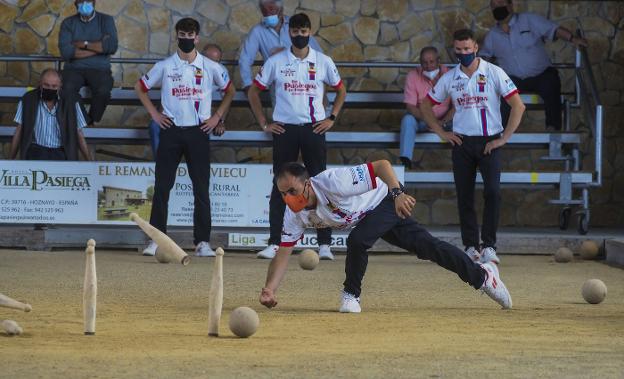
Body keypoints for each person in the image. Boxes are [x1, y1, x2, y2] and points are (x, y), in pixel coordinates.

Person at [258, 161, 512, 313]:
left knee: (358, 241)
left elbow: (381, 166)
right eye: (282, 193)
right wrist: (269, 289)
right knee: (429, 247)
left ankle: (350, 295)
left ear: (308, 184)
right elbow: (283, 254)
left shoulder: (335, 182)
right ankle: (483, 273)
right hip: (367, 217)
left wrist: (398, 194)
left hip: (386, 201)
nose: (287, 197)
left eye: (291, 190)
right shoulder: (294, 216)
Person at [420, 29, 526, 264]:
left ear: (476, 47)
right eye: (459, 50)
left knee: (493, 193)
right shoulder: (450, 78)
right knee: (464, 196)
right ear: (454, 50)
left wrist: (504, 138)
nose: (463, 53)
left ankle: (489, 246)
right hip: (462, 142)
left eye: (467, 49)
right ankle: (470, 245)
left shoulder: (493, 72)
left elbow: (518, 105)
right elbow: (425, 104)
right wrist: (441, 132)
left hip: (490, 141)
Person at [247, 13, 347, 261]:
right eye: (296, 31)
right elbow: (253, 92)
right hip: (285, 130)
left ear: (310, 32)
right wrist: (264, 123)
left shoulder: (323, 61)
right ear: (289, 32)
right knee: (280, 185)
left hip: (314, 128)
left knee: (321, 185)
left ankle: (324, 244)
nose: (300, 35)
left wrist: (331, 117)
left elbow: (341, 89)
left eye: (304, 31)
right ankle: (274, 242)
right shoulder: (276, 61)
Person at [134, 18, 235, 258]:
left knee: (201, 189)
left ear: (197, 38)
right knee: (162, 188)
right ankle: (156, 241)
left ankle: (202, 242)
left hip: (199, 132)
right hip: (170, 130)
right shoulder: (165, 66)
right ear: (177, 36)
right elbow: (140, 87)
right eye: (182, 34)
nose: (186, 39)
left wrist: (217, 117)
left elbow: (230, 90)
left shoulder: (210, 66)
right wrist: (155, 115)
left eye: (191, 35)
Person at [480, 0, 588, 130]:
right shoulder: (492, 35)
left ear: (510, 5)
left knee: (551, 83)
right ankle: (499, 131)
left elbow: (553, 29)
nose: (497, 8)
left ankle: (552, 128)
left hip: (541, 75)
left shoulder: (528, 20)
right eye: (493, 6)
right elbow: (484, 57)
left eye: (500, 3)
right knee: (501, 89)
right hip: (513, 79)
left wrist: (573, 39)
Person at [147, 44, 226, 157]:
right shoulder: (186, 66)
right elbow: (168, 92)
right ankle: (160, 163)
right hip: (177, 113)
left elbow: (227, 95)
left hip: (201, 118)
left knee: (204, 127)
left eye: (216, 61)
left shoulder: (220, 71)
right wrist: (159, 115)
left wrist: (220, 120)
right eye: (210, 60)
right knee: (155, 125)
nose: (213, 64)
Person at [238, 0, 323, 95]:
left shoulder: (296, 26)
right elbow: (245, 59)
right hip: (278, 88)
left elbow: (318, 54)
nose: (269, 14)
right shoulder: (257, 31)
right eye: (265, 11)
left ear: (281, 9)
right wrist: (247, 84)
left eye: (272, 10)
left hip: (306, 83)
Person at [10, 68, 91, 162]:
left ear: (60, 85)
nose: (50, 88)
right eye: (46, 85)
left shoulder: (72, 102)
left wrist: (89, 162)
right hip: (36, 151)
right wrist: (10, 160)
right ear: (40, 83)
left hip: (61, 152)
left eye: (54, 86)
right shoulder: (28, 99)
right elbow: (19, 130)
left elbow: (79, 133)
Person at [58, 0, 118, 126]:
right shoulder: (68, 23)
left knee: (103, 91)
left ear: (94, 2)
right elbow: (67, 52)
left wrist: (83, 44)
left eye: (88, 1)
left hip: (100, 70)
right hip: (73, 70)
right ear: (75, 4)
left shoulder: (106, 20)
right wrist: (100, 48)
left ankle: (92, 119)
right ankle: (85, 120)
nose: (85, 4)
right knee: (66, 89)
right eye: (81, 1)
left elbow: (111, 47)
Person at [399, 46, 454, 170]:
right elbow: (411, 107)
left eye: (431, 62)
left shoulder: (451, 75)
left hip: (446, 121)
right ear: (420, 62)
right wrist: (431, 121)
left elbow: (456, 107)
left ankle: (467, 164)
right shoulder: (412, 76)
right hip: (422, 120)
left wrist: (442, 122)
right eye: (424, 62)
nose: (428, 66)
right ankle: (405, 160)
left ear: (438, 61)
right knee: (407, 120)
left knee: (464, 121)